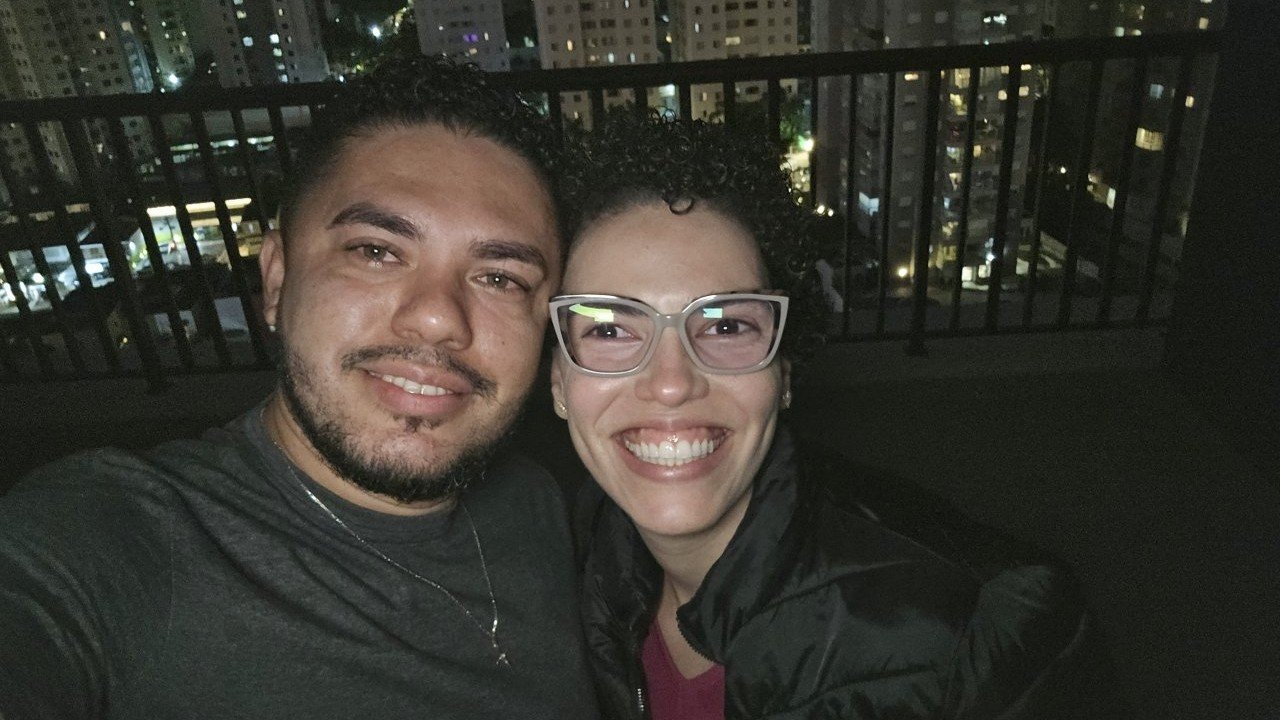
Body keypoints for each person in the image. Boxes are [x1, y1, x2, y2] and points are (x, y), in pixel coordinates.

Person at [0, 57, 597, 719]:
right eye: (376, 251)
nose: (437, 318)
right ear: (277, 280)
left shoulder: (541, 504)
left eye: (501, 279)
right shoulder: (109, 536)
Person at [550, 112, 1111, 719]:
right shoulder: (565, 555)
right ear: (558, 382)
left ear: (784, 375)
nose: (670, 384)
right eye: (609, 329)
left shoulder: (982, 640)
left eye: (726, 326)